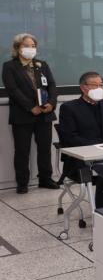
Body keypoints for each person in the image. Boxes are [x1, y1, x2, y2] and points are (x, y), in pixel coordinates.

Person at [2, 33, 59, 194]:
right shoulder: (9, 66)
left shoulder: (42, 64)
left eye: (33, 46)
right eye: (26, 46)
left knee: (45, 149)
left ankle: (45, 179)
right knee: (22, 150)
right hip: (23, 115)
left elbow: (52, 85)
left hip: (45, 113)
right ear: (17, 48)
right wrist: (30, 107)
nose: (31, 49)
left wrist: (51, 104)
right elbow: (13, 90)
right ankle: (22, 183)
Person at [58, 72, 103, 208]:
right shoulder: (69, 108)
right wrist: (98, 147)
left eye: (101, 85)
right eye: (95, 85)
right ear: (83, 88)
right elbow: (70, 138)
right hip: (81, 160)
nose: (99, 89)